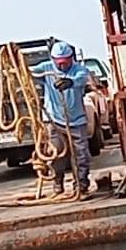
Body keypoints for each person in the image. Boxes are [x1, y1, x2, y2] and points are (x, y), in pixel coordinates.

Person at [31, 41, 92, 196]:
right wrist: (18, 66)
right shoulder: (46, 68)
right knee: (56, 153)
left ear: (71, 58)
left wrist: (70, 82)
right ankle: (58, 182)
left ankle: (81, 185)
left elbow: (82, 79)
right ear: (52, 59)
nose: (62, 65)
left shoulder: (80, 70)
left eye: (65, 62)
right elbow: (29, 73)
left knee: (81, 155)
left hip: (76, 120)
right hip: (54, 120)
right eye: (58, 62)